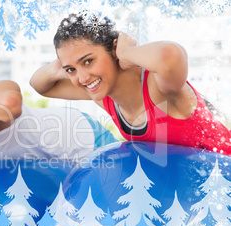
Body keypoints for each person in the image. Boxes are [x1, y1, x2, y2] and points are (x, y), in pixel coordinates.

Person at [30, 12, 231, 156]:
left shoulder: (158, 87)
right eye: (71, 70)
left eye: (88, 61)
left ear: (114, 48)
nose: (82, 79)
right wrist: (60, 66)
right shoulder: (104, 95)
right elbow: (40, 85)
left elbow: (171, 56)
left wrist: (127, 54)